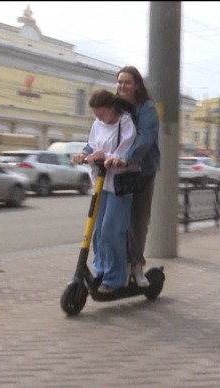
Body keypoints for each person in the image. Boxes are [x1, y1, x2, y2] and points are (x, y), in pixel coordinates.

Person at [73, 89, 138, 293]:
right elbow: (91, 146)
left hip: (120, 184)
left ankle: (115, 278)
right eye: (96, 115)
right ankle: (100, 269)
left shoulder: (125, 122)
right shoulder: (97, 124)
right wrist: (84, 155)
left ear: (112, 108)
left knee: (112, 231)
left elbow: (125, 152)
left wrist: (108, 155)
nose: (99, 118)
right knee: (98, 230)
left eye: (102, 114)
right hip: (100, 182)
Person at [103, 66, 160, 288]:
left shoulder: (146, 108)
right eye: (119, 82)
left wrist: (128, 158)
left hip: (142, 170)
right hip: (116, 172)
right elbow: (101, 128)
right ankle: (118, 266)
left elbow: (146, 137)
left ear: (136, 85)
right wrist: (89, 152)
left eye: (127, 82)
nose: (122, 86)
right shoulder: (115, 107)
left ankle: (136, 266)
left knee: (137, 220)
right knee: (116, 222)